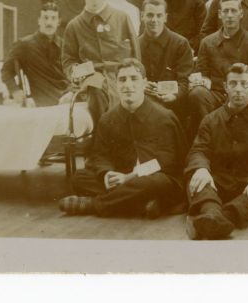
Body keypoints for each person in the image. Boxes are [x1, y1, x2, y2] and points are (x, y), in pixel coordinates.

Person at [59, 58, 186, 219]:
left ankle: (95, 205)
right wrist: (107, 174)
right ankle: (142, 204)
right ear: (116, 85)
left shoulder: (164, 117)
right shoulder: (108, 119)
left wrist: (129, 178)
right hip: (121, 175)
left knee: (156, 182)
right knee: (79, 178)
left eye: (134, 79)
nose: (128, 85)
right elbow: (99, 155)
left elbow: (168, 160)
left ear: (144, 83)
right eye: (122, 80)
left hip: (154, 177)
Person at [184, 63, 248, 239]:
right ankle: (212, 213)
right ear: (225, 87)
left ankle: (218, 217)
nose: (238, 89)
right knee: (196, 181)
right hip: (220, 182)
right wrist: (201, 169)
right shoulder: (211, 119)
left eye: (244, 84)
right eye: (233, 84)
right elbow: (198, 150)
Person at [61, 0, 140, 124]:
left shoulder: (122, 18)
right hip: (92, 77)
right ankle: (103, 140)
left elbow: (136, 55)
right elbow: (68, 61)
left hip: (121, 76)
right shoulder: (74, 26)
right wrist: (77, 73)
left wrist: (137, 77)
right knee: (95, 88)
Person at [188, 0, 248, 135]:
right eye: (225, 11)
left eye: (233, 11)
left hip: (243, 93)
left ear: (241, 14)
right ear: (220, 15)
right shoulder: (208, 42)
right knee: (197, 93)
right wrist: (202, 81)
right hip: (216, 95)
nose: (229, 15)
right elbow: (202, 73)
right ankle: (211, 135)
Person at [137, 0, 194, 122]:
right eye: (150, 15)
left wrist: (174, 95)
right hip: (144, 102)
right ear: (142, 16)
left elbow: (185, 81)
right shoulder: (136, 45)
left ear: (165, 17)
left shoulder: (180, 43)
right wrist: (141, 85)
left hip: (174, 104)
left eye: (159, 15)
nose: (154, 20)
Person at [0, 2, 68, 107]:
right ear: (39, 20)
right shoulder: (24, 45)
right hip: (40, 103)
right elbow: (6, 71)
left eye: (53, 18)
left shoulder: (65, 45)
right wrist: (15, 90)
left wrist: (71, 93)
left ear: (58, 22)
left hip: (65, 100)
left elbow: (74, 75)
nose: (49, 22)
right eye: (45, 18)